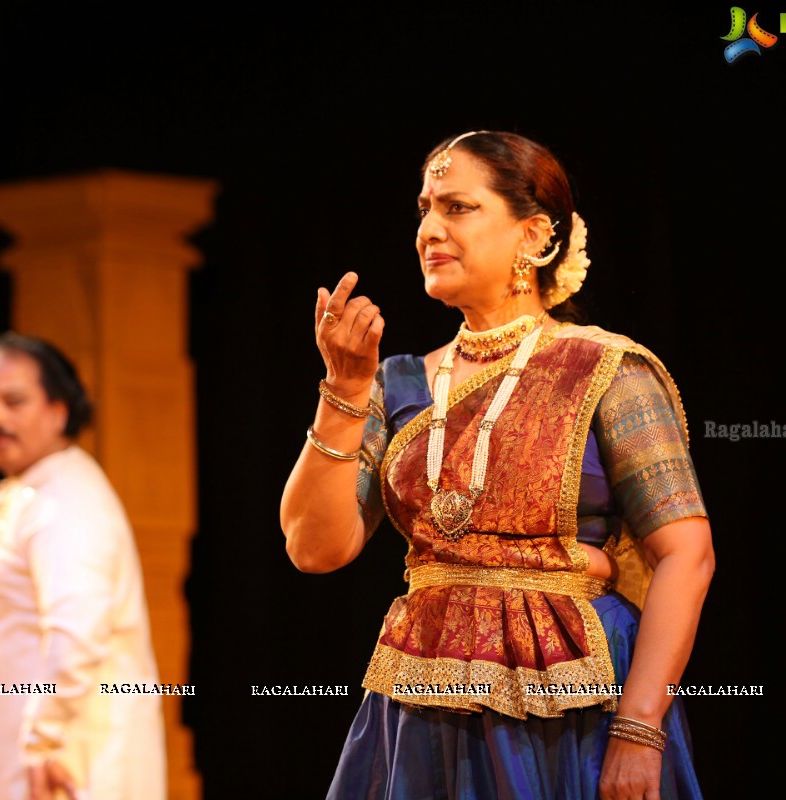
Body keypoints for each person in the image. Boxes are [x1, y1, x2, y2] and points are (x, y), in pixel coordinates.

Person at [280, 131, 715, 800]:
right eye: (425, 208)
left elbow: (687, 552)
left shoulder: (606, 370)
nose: (429, 229)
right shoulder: (397, 382)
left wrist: (638, 726)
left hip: (574, 705)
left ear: (534, 234)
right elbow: (315, 548)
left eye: (457, 208)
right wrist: (342, 390)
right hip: (422, 705)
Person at [0, 332, 165, 800]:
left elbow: (75, 631)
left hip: (60, 768)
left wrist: (46, 740)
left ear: (59, 410)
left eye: (13, 401)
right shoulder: (36, 494)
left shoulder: (66, 503)